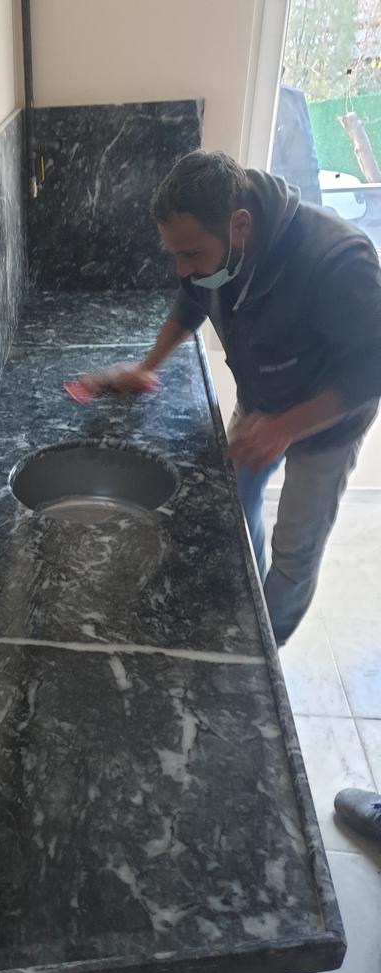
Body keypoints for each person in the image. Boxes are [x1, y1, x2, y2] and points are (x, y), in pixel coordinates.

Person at [81, 150, 381, 647]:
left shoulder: (337, 259)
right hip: (260, 403)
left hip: (327, 425)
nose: (182, 268)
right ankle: (249, 606)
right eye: (173, 254)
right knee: (232, 509)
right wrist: (146, 367)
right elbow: (191, 300)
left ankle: (264, 652)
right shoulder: (212, 252)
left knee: (296, 550)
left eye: (191, 254)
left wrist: (285, 428)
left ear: (240, 225)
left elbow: (372, 366)